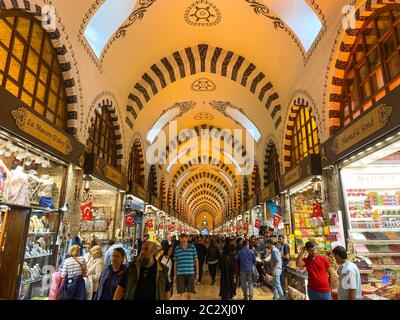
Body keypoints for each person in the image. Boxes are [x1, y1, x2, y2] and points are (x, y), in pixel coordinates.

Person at [173, 234, 199, 300]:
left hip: (190, 273)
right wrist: (175, 275)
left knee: (189, 292)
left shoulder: (192, 247)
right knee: (181, 292)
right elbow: (175, 262)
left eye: (184, 241)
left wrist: (197, 274)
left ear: (187, 239)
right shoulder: (177, 248)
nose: (183, 243)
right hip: (180, 274)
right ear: (179, 240)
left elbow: (196, 261)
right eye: (181, 242)